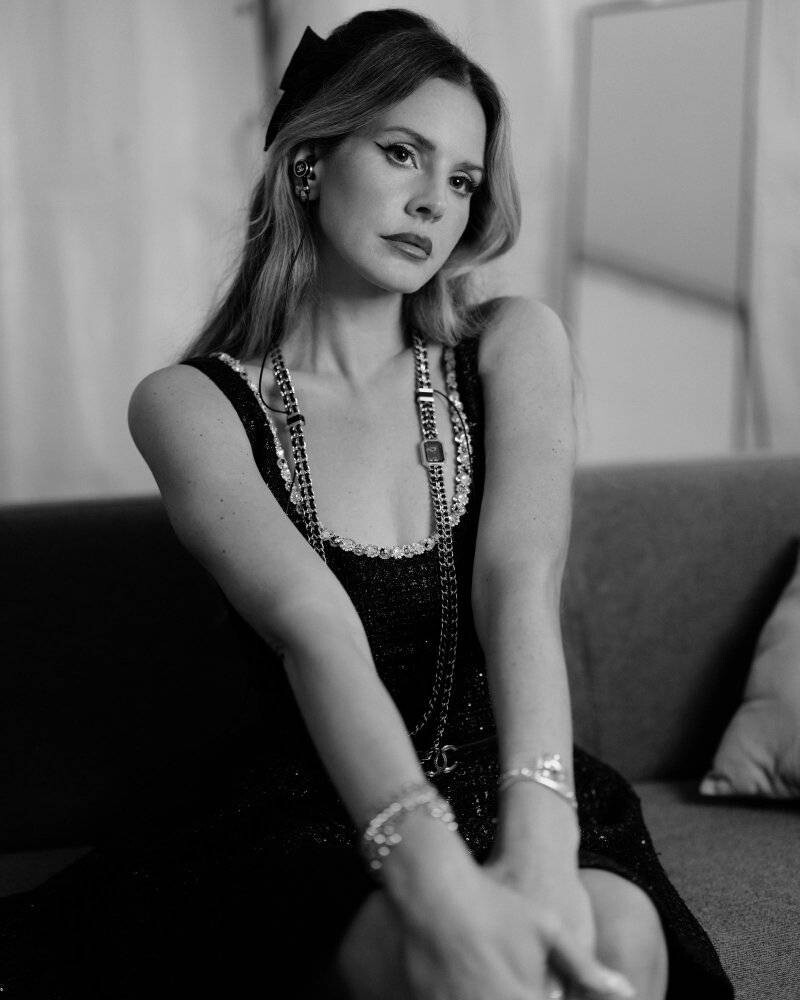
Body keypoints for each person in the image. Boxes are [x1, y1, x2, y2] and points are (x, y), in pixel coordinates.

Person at [0, 10, 733, 1000]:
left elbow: (519, 586)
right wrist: (440, 888)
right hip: (321, 813)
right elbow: (316, 633)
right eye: (401, 153)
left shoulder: (512, 344)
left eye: (463, 180)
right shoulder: (189, 405)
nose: (434, 201)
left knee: (619, 940)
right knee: (462, 969)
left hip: (516, 779)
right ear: (310, 162)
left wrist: (539, 848)